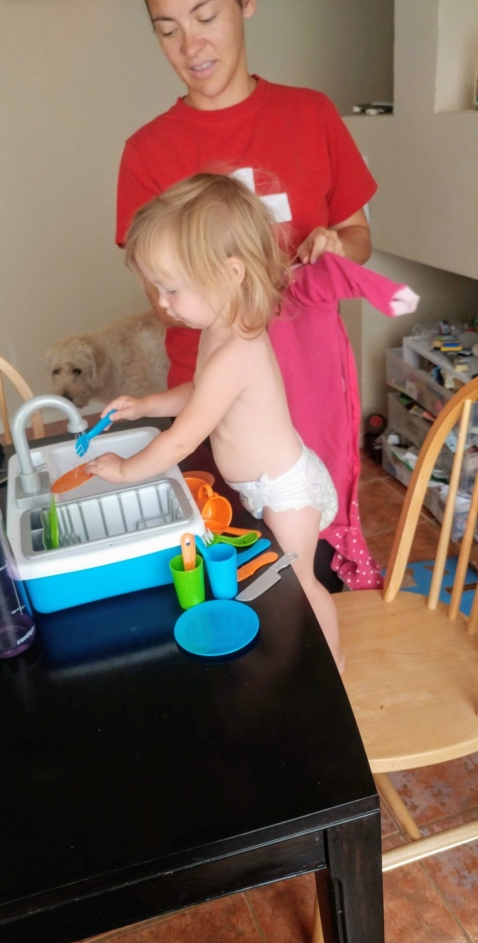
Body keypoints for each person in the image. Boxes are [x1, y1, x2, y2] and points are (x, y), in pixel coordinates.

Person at [116, 0, 379, 592]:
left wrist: (338, 245)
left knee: (304, 576)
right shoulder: (147, 152)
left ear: (245, 6)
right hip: (209, 403)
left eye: (206, 17)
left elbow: (360, 240)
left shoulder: (311, 114)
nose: (190, 46)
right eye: (167, 29)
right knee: (226, 577)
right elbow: (162, 290)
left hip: (308, 394)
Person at [90, 173, 345, 668]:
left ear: (230, 272)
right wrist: (146, 405)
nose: (162, 303)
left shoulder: (235, 350)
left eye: (172, 289)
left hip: (285, 491)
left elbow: (184, 438)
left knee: (302, 584)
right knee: (280, 582)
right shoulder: (221, 329)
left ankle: (331, 671)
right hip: (263, 485)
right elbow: (199, 394)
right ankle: (302, 658)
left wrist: (124, 470)